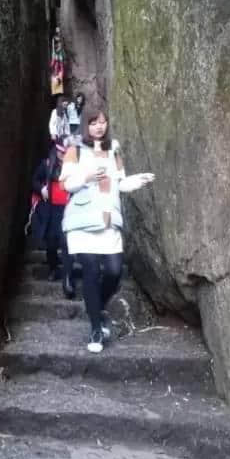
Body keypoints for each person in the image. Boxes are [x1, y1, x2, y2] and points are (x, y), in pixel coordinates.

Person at [61, 107, 154, 352]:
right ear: (86, 125)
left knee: (113, 271)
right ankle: (95, 330)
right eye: (93, 122)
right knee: (90, 270)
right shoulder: (75, 150)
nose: (99, 126)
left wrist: (137, 181)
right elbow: (67, 184)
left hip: (108, 220)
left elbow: (120, 183)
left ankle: (97, 307)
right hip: (83, 221)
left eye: (103, 122)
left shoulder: (114, 150)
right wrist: (87, 176)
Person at [31, 142, 75, 293]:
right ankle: (53, 267)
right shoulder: (46, 164)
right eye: (60, 152)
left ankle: (68, 276)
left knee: (66, 242)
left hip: (68, 209)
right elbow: (34, 180)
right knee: (51, 242)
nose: (62, 156)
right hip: (51, 210)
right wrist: (42, 188)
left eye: (65, 153)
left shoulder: (75, 167)